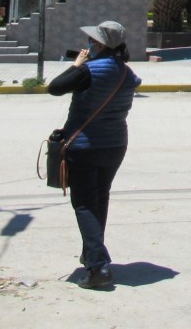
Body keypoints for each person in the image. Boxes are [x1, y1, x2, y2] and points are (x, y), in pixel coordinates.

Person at [48, 20, 142, 289]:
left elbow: (55, 87)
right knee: (99, 199)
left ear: (99, 44)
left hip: (85, 146)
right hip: (114, 145)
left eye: (93, 41)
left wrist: (77, 63)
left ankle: (98, 268)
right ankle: (93, 253)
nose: (89, 44)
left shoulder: (88, 70)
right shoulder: (126, 73)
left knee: (85, 204)